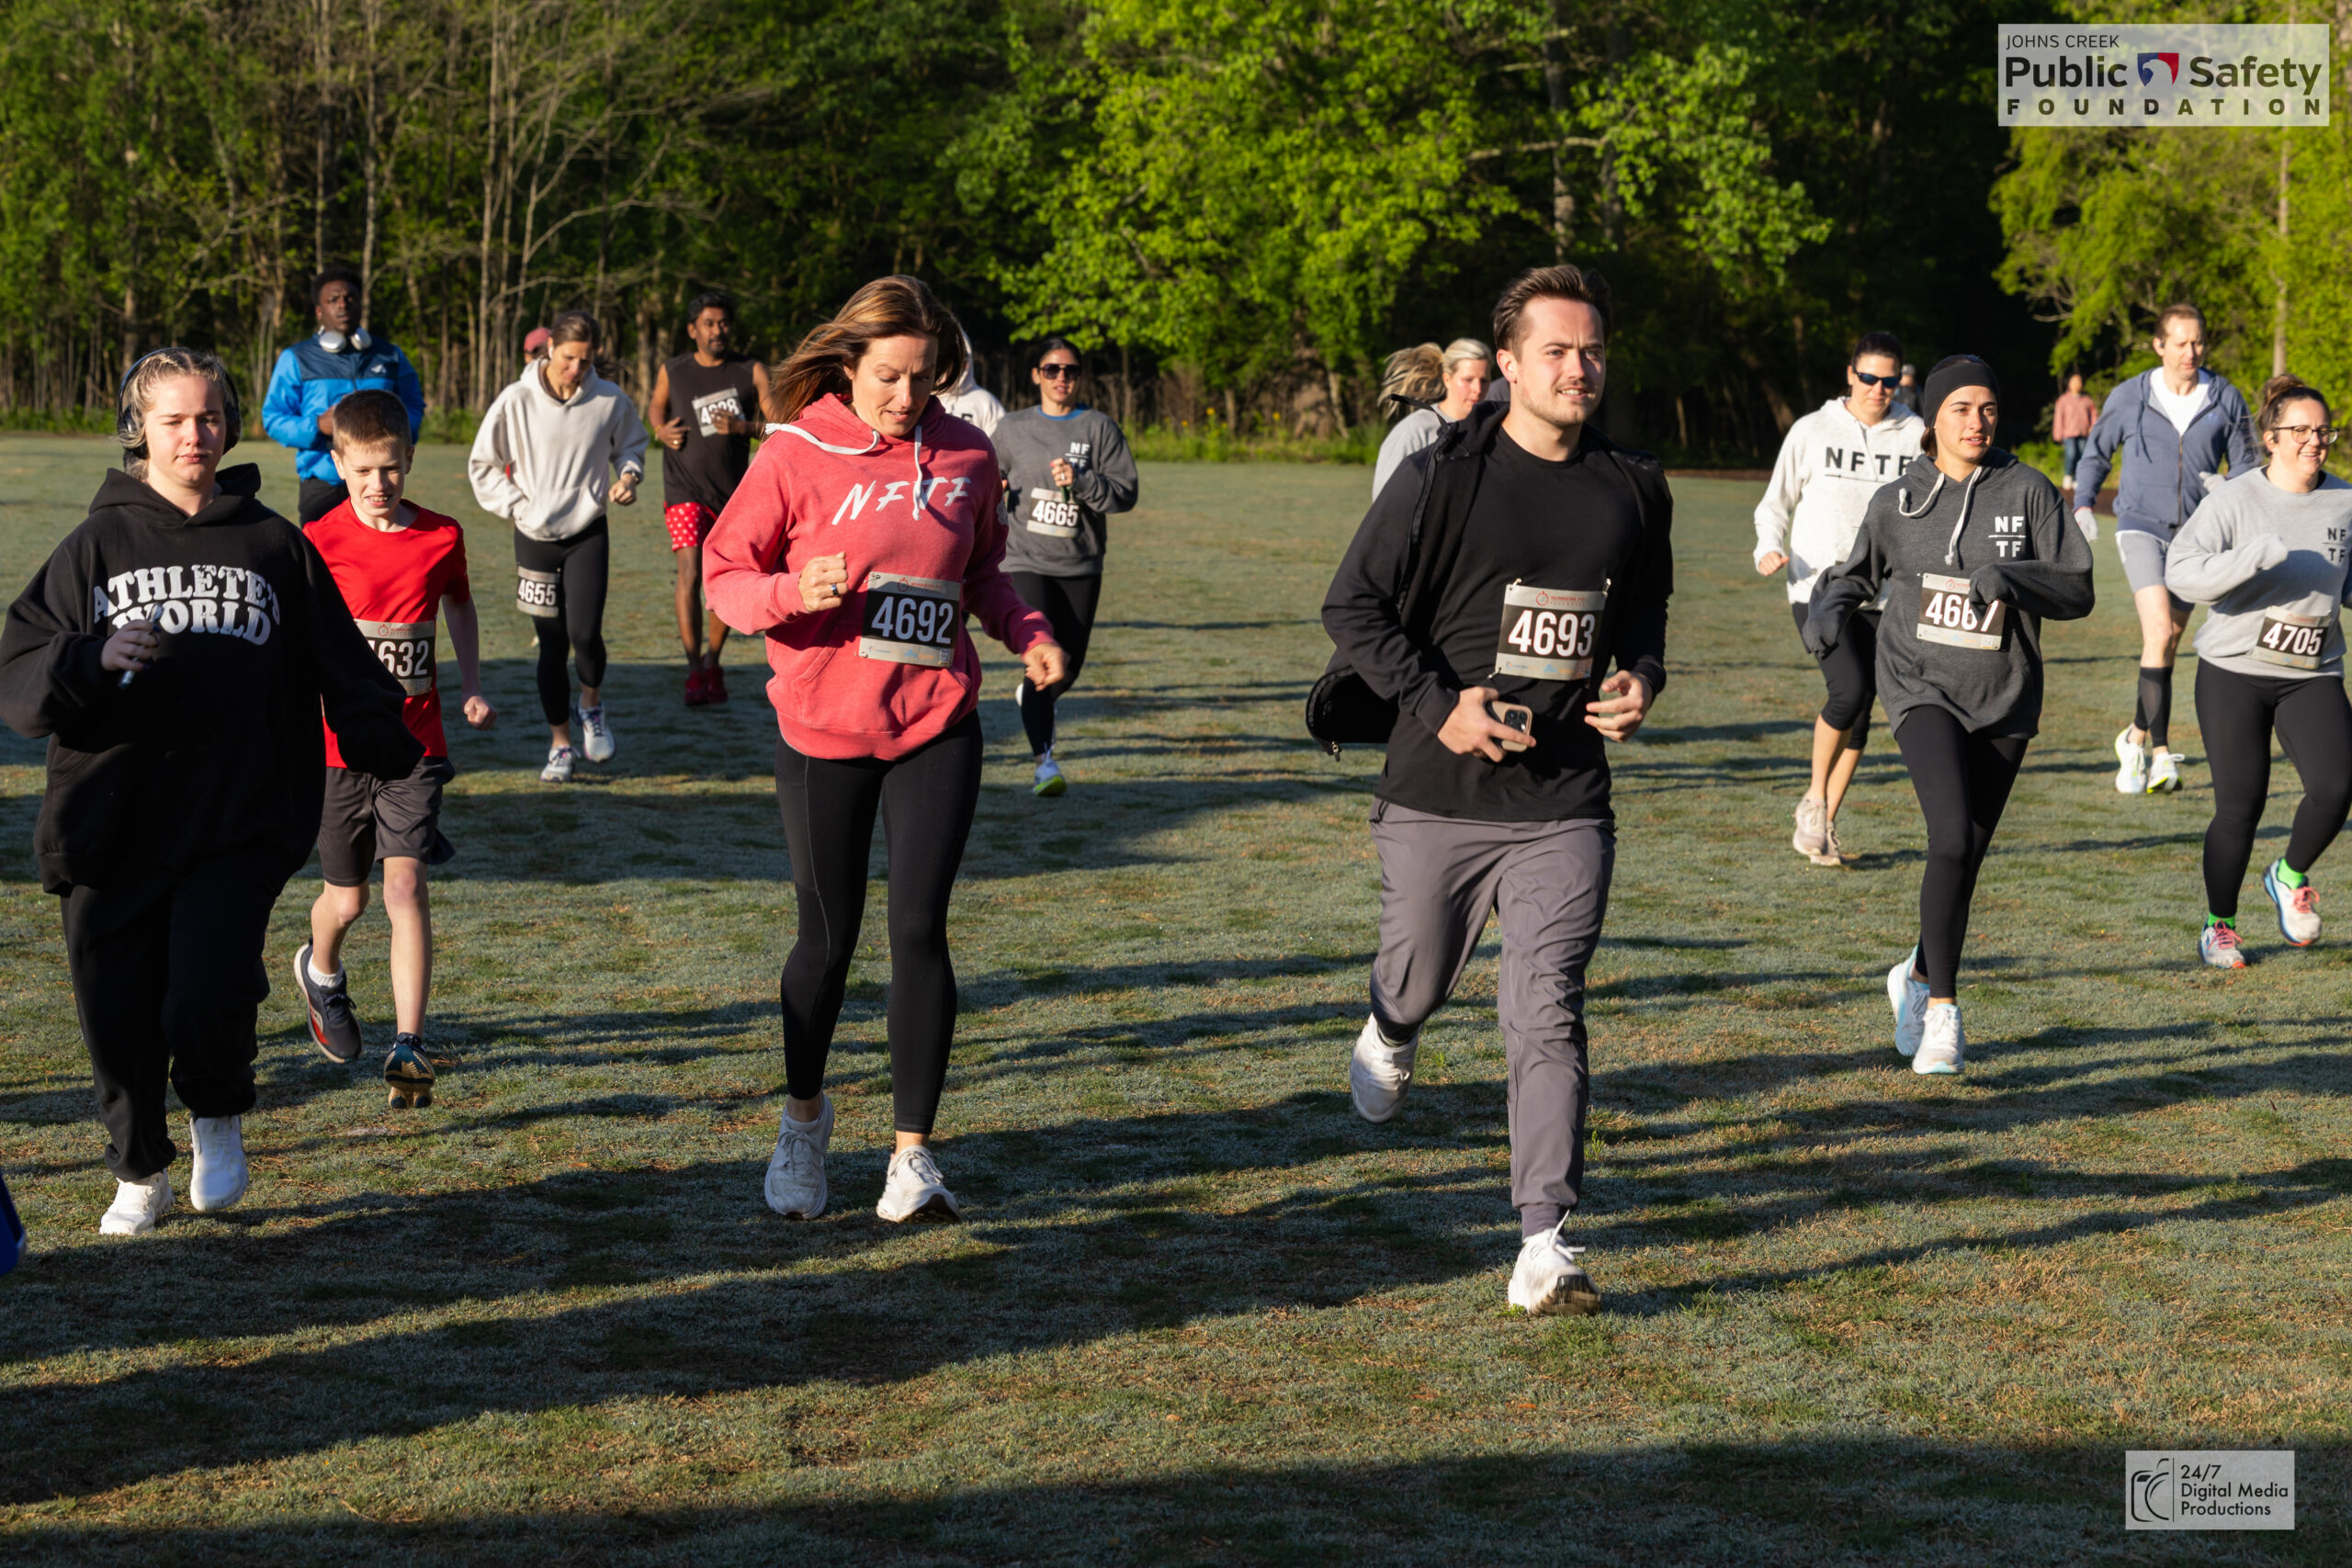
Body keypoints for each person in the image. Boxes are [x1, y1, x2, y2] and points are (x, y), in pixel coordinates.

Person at [0, 349, 419, 1235]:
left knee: (207, 988)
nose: (196, 435)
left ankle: (218, 1116)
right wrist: (91, 656)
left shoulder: (272, 543)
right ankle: (137, 1168)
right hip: (108, 820)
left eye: (211, 417)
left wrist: (393, 742)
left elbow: (341, 664)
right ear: (139, 432)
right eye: (175, 420)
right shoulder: (96, 545)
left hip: (236, 816)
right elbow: (19, 675)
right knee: (115, 1009)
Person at [1322, 264, 1673, 1317]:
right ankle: (1390, 1026)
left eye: (1592, 350)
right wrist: (1443, 708)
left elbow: (1644, 616)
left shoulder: (1632, 484)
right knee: (1419, 978)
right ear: (1506, 366)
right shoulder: (1440, 476)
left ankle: (1543, 1240)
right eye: (1557, 351)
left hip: (1564, 799)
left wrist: (1639, 680)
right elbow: (1353, 608)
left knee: (1546, 1006)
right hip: (1436, 789)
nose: (1580, 367)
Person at [704, 276, 1064, 1224]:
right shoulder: (794, 452)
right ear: (849, 366)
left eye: (923, 378)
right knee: (827, 942)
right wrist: (792, 592)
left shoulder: (967, 452)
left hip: (935, 723)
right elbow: (726, 577)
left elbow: (984, 572)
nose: (907, 398)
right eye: (889, 379)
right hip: (822, 729)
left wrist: (1025, 631)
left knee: (919, 932)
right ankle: (803, 1123)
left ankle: (912, 1158)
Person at [1806, 355, 2093, 1076]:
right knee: (1950, 837)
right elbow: (1857, 573)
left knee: (1966, 853)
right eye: (1961, 407)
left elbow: (2079, 589)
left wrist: (2014, 577)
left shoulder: (2028, 491)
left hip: (2005, 695)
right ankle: (1942, 1011)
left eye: (1988, 406)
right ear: (1932, 416)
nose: (1976, 420)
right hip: (1918, 684)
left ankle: (1915, 968)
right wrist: (1829, 608)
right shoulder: (1898, 499)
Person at [292, 389, 496, 1107]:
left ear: (409, 460)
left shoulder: (441, 536)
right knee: (345, 902)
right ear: (338, 464)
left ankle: (409, 1044)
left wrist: (470, 682)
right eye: (364, 470)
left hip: (415, 747)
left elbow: (462, 603)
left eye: (392, 468)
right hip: (336, 749)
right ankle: (321, 973)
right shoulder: (318, 539)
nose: (379, 484)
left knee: (405, 886)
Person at [2165, 376, 2352, 968]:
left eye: (2323, 430)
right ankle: (2219, 926)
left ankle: (2287, 873)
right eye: (2300, 430)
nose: (2314, 440)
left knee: (2336, 787)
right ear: (2271, 438)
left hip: (2312, 670)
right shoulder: (2235, 500)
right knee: (2239, 806)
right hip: (2234, 670)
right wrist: (2250, 557)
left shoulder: (2347, 501)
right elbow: (2182, 572)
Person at [2073, 304, 2261, 795]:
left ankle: (2136, 738)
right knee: (2158, 631)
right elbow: (2096, 451)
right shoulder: (2132, 395)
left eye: (2197, 342)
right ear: (2159, 346)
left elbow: (2249, 460)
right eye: (2179, 342)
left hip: (2198, 537)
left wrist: (2229, 485)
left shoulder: (2224, 397)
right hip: (2140, 525)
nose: (2190, 352)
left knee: (2168, 644)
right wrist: (2084, 505)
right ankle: (2158, 755)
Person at [1753, 331, 1924, 866]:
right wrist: (1767, 546)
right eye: (1868, 378)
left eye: (1889, 381)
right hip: (1817, 586)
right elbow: (1773, 503)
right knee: (1847, 691)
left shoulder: (1916, 434)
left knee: (1863, 710)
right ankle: (1813, 801)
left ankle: (1822, 823)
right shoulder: (1812, 429)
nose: (1878, 389)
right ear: (1850, 374)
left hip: (1887, 592)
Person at [467, 310, 647, 783]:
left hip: (588, 533)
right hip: (534, 539)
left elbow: (631, 444)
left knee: (585, 634)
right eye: (569, 358)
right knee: (550, 644)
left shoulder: (608, 398)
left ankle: (591, 706)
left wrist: (629, 475)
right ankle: (560, 745)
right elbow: (483, 464)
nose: (577, 370)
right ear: (550, 349)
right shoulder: (516, 400)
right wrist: (518, 507)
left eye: (586, 362)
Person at [993, 338, 1140, 795]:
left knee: (1069, 667)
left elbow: (1126, 494)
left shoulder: (1099, 427)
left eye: (1071, 371)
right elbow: (986, 476)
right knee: (1042, 658)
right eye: (1052, 369)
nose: (1062, 378)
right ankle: (1045, 765)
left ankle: (1032, 701)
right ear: (1036, 374)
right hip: (1026, 560)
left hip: (1081, 563)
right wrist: (993, 489)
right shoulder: (1012, 428)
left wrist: (1084, 481)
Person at [650, 292, 769, 707]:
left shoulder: (750, 370)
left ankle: (713, 660)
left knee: (723, 579)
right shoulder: (673, 369)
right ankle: (692, 670)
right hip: (682, 489)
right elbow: (655, 407)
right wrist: (660, 430)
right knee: (689, 574)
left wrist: (743, 426)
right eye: (710, 323)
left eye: (724, 323)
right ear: (692, 330)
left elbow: (775, 427)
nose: (719, 330)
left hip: (733, 495)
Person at [261, 265, 427, 525]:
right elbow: (273, 418)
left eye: (350, 298)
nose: (343, 304)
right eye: (333, 300)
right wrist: (316, 425)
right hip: (322, 482)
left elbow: (415, 407)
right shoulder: (296, 358)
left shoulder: (390, 356)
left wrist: (395, 428)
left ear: (361, 305)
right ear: (319, 311)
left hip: (378, 482)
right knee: (321, 561)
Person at [1371, 339, 1492, 497]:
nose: (1477, 389)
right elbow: (1385, 504)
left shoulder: (1495, 427)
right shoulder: (1414, 432)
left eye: (1484, 380)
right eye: (1468, 380)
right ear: (1447, 379)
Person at [937, 332, 1006, 436]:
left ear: (966, 364)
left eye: (953, 367)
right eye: (941, 365)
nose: (945, 378)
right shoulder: (919, 399)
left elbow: (1002, 447)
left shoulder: (986, 403)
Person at [2052, 371, 2097, 496]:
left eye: (2080, 381)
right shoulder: (2063, 400)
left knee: (2081, 456)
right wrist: (2058, 434)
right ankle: (2068, 475)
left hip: (2083, 432)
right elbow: (2058, 418)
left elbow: (2093, 415)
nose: (2078, 384)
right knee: (2071, 454)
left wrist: (2093, 427)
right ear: (2069, 383)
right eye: (2075, 381)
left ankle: (2077, 478)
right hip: (2068, 433)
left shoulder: (2087, 400)